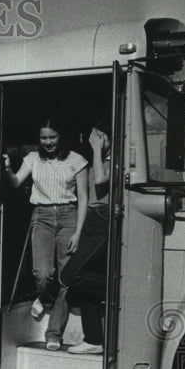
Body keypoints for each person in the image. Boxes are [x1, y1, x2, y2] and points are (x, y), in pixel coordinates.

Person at [3, 118, 87, 351]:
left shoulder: (76, 160)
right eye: (43, 137)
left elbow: (84, 198)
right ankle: (47, 298)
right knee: (41, 274)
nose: (48, 142)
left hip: (69, 216)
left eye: (52, 137)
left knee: (66, 277)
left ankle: (54, 333)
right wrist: (8, 168)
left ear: (61, 137)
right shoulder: (32, 158)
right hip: (41, 217)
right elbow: (15, 182)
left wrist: (78, 231)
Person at [60, 121, 112, 354]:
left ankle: (118, 288)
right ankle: (93, 340)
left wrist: (98, 150)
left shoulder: (112, 160)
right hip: (92, 219)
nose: (95, 141)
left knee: (70, 274)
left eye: (100, 137)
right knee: (83, 288)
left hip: (103, 219)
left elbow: (101, 181)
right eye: (93, 138)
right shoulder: (92, 161)